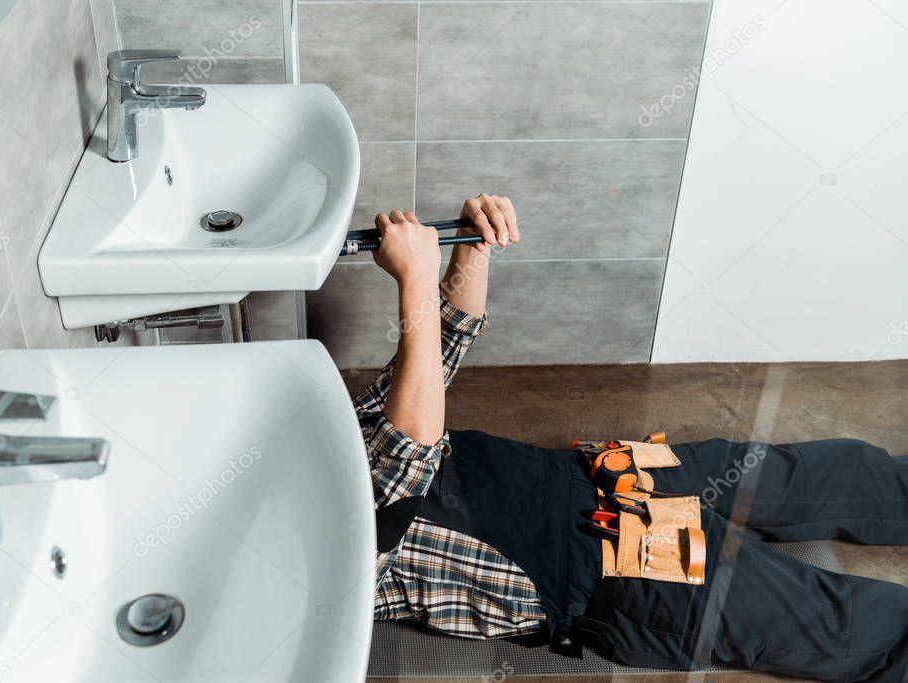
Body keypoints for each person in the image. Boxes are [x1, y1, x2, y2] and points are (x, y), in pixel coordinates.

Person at [355, 193, 908, 682]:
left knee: (844, 471)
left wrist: (473, 245)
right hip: (618, 575)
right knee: (854, 624)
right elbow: (410, 448)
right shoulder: (307, 557)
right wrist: (415, 281)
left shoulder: (307, 445)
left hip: (608, 473)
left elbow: (440, 344)